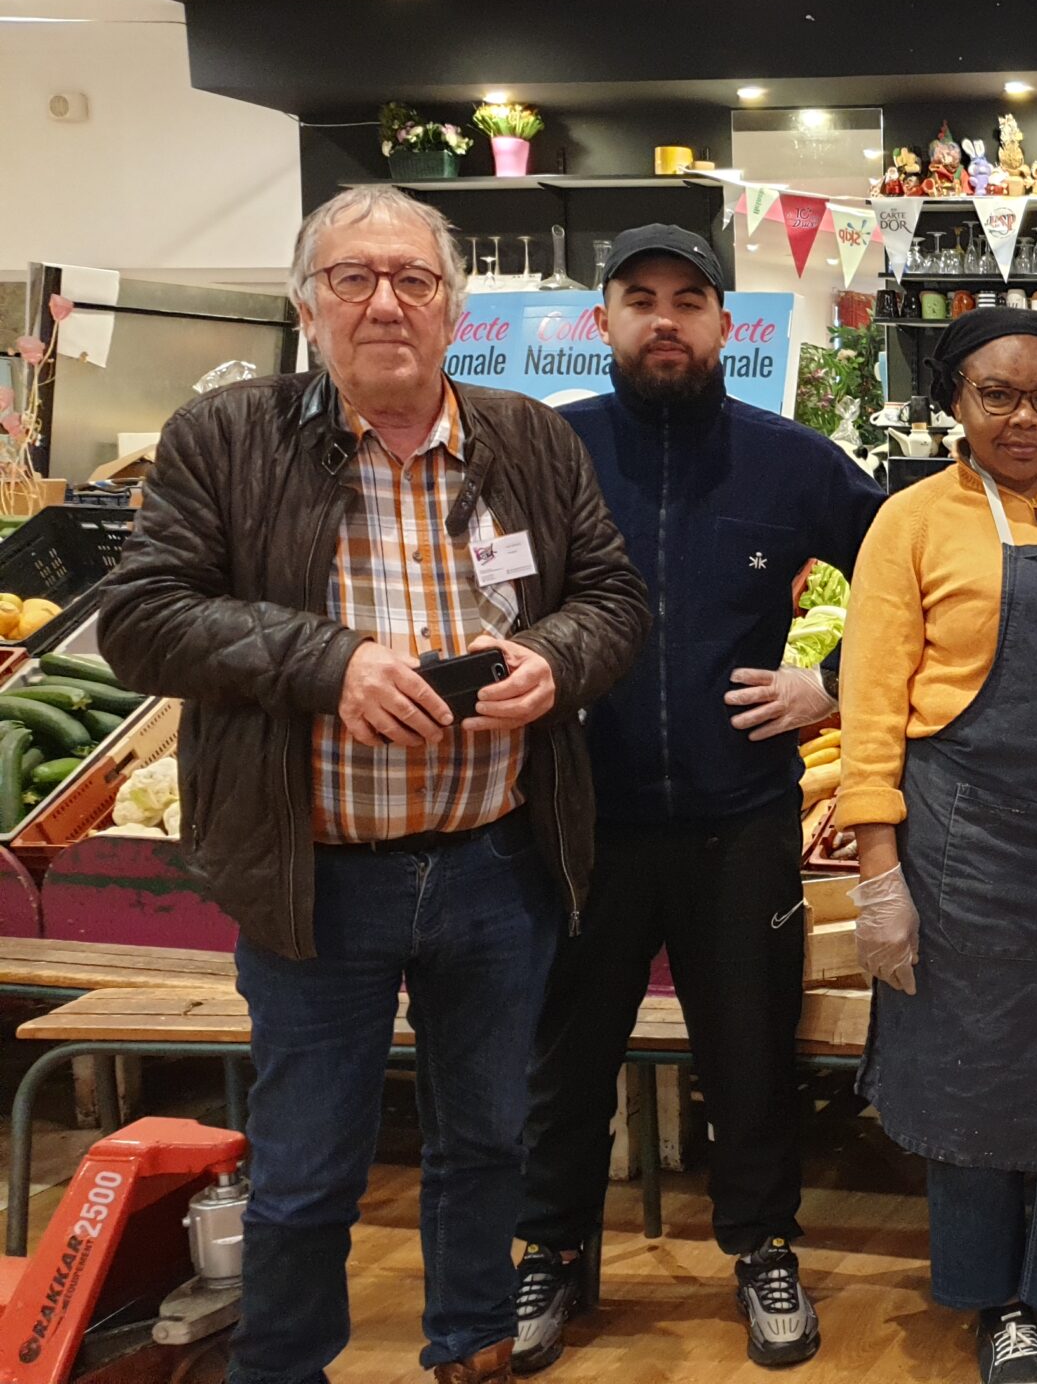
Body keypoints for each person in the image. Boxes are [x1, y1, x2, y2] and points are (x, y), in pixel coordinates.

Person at [94, 184, 649, 1384]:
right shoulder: (227, 438)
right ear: (308, 304)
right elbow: (140, 620)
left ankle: (470, 1350)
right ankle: (284, 1367)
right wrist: (327, 662)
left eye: (414, 279)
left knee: (489, 1140)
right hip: (315, 875)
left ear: (454, 306)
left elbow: (614, 600)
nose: (386, 302)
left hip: (496, 865)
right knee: (305, 1171)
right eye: (355, 277)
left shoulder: (530, 440)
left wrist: (551, 662)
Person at [511, 226, 885, 1371]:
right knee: (565, 1055)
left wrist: (827, 688)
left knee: (749, 1052)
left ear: (727, 324)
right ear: (603, 323)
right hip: (581, 824)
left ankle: (763, 1243)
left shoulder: (795, 462)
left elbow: (920, 588)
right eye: (640, 299)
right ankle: (552, 1255)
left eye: (688, 299)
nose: (664, 319)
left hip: (742, 819)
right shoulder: (546, 455)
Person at [832, 308, 1037, 1384]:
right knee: (971, 1078)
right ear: (956, 403)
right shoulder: (911, 520)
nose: (1025, 417)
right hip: (962, 847)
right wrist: (878, 872)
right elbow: (871, 706)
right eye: (998, 395)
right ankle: (995, 1309)